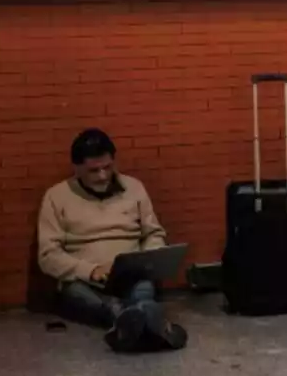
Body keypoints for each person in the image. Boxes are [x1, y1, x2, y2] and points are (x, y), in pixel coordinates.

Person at [38, 128, 186, 352]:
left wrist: (148, 257)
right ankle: (149, 322)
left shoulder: (134, 188)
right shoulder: (56, 196)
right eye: (93, 170)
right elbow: (48, 256)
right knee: (76, 292)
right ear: (76, 169)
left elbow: (153, 233)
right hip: (86, 280)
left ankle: (129, 325)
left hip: (131, 273)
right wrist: (91, 270)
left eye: (107, 167)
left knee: (143, 286)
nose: (103, 176)